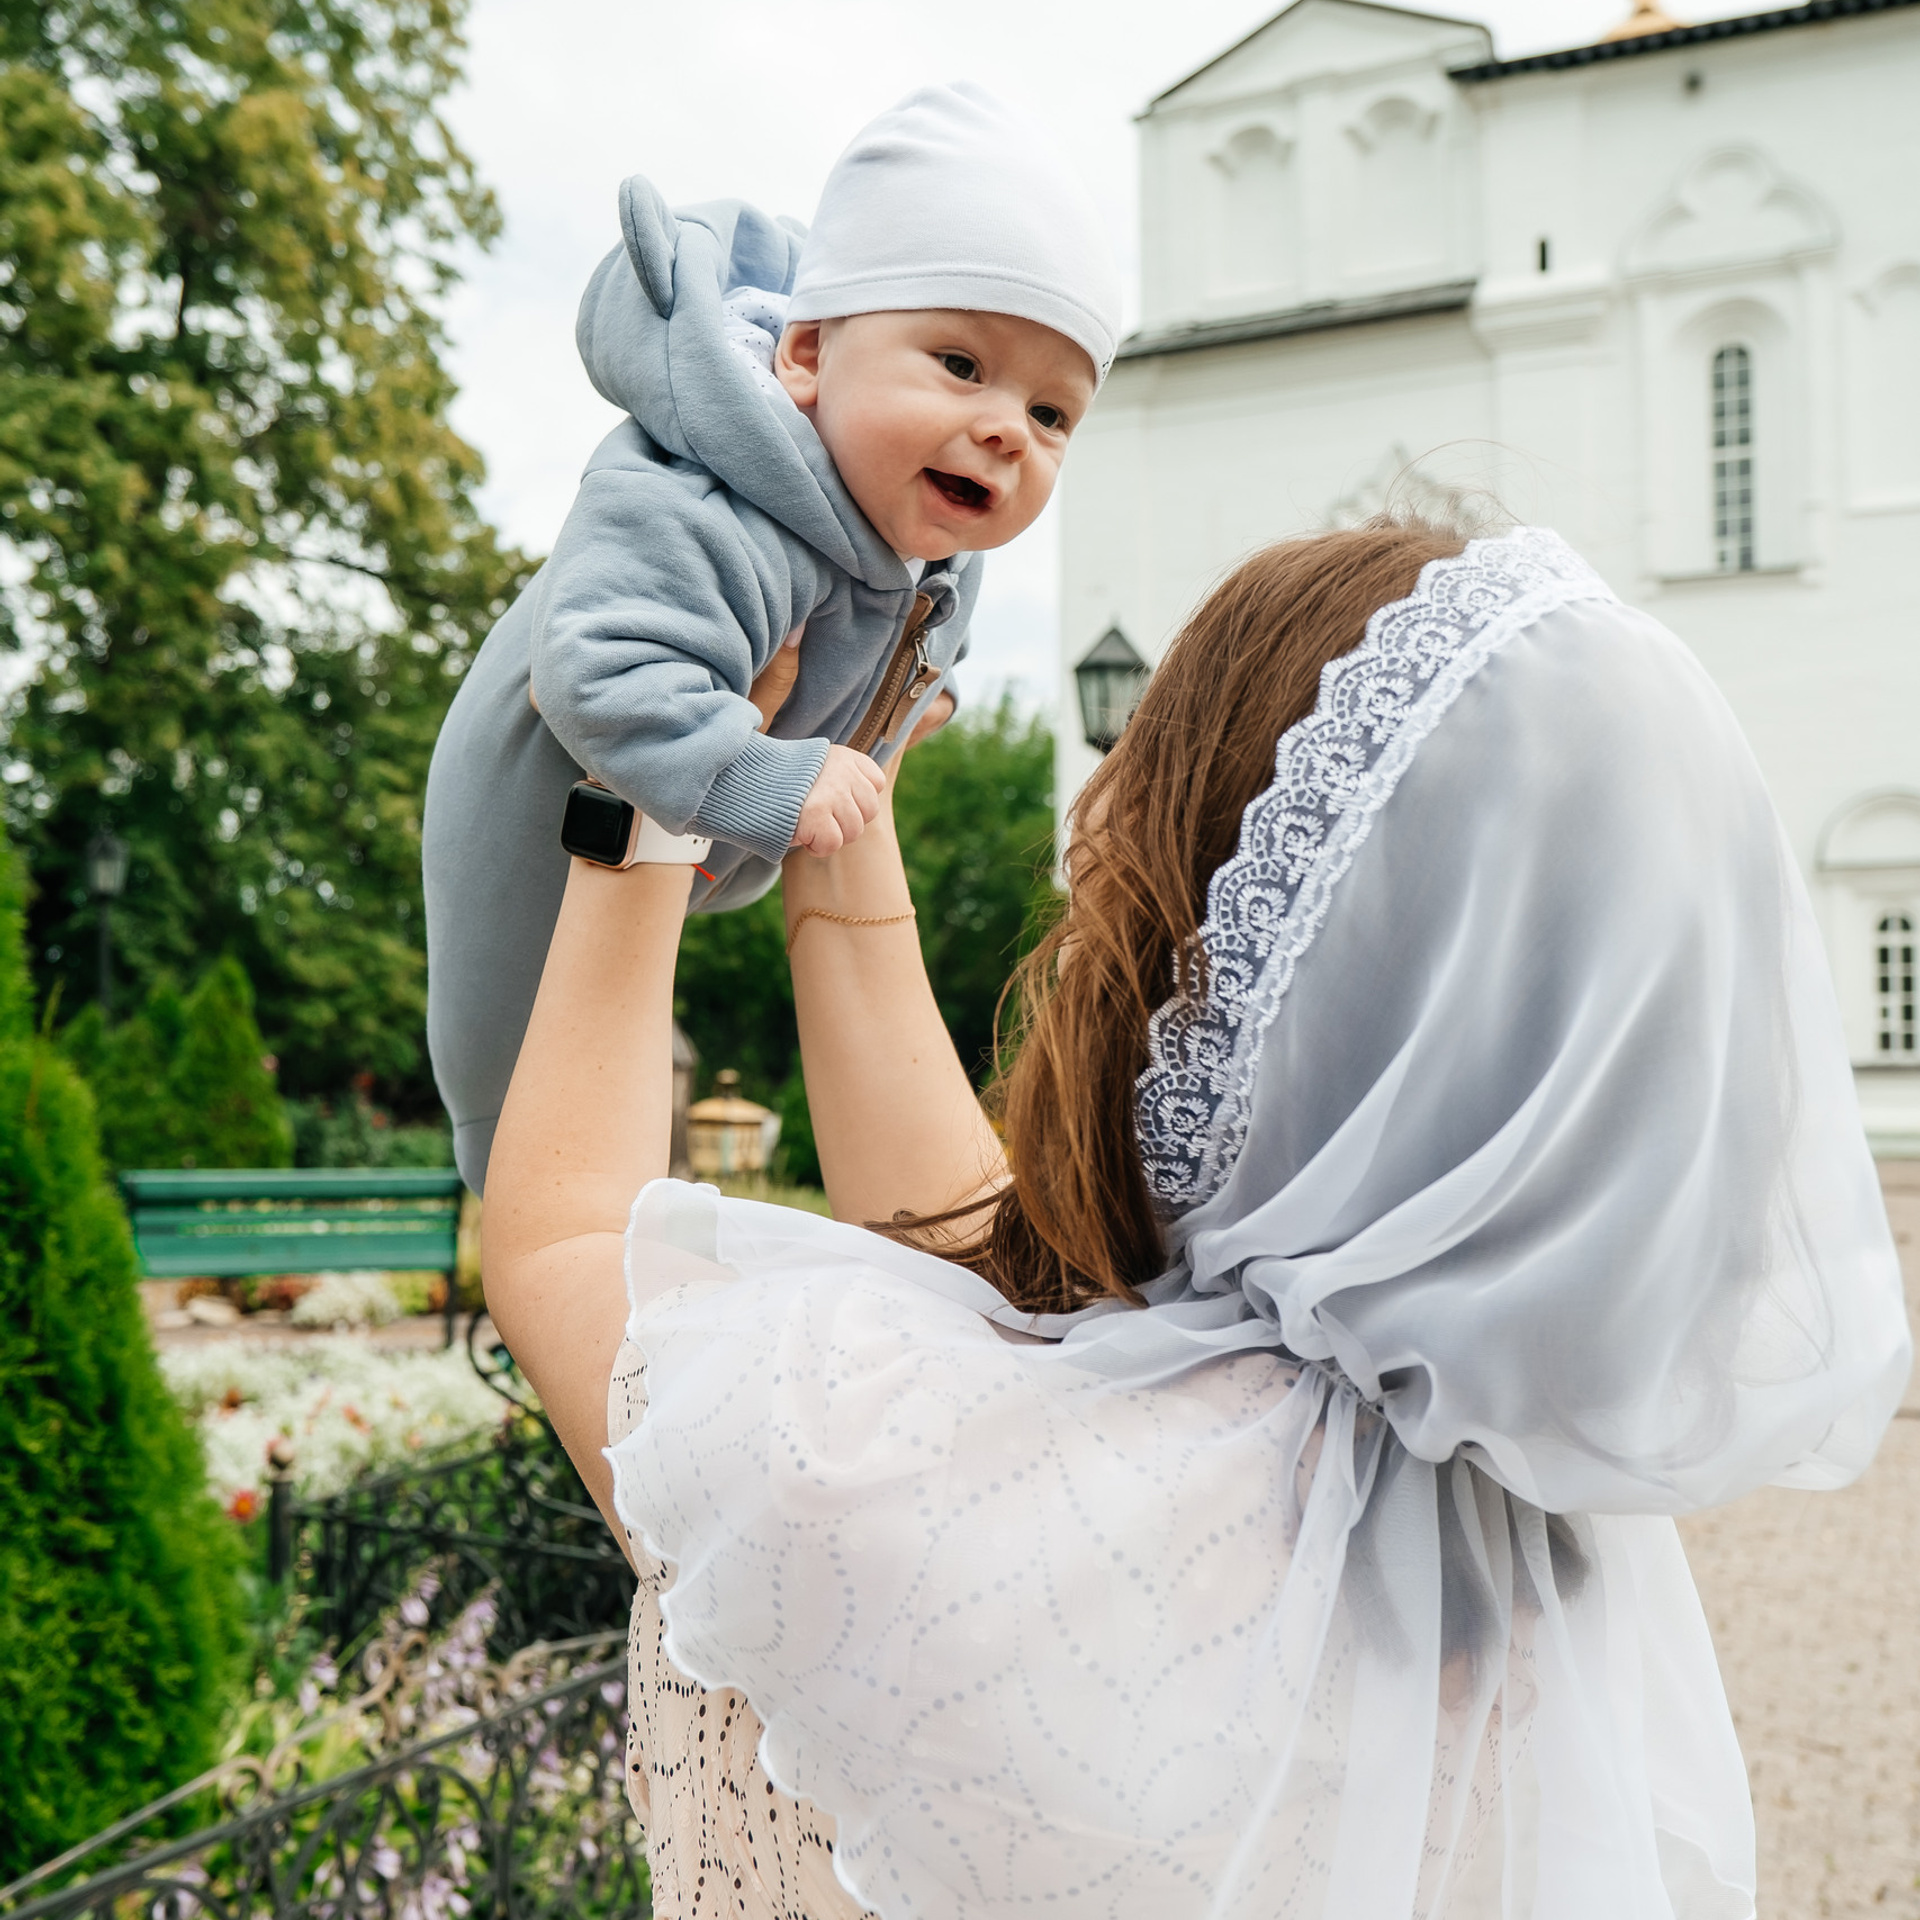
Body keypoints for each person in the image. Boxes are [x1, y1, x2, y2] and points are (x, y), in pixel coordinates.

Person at [482, 519, 1911, 1919]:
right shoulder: (1510, 1539)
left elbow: (564, 1250)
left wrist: (654, 789)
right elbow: (971, 1257)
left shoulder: (895, 1494)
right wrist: (840, 836)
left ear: (1245, 974)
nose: (1091, 839)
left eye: (1135, 805)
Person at [423, 82, 1119, 1194]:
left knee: (635, 1047)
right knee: (514, 1067)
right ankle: (511, 1194)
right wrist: (759, 772)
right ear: (804, 357)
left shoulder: (931, 540)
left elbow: (918, 641)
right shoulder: (706, 497)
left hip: (693, 841)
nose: (1006, 429)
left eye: (1051, 414)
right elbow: (594, 672)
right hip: (536, 815)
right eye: (960, 364)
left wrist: (909, 704)